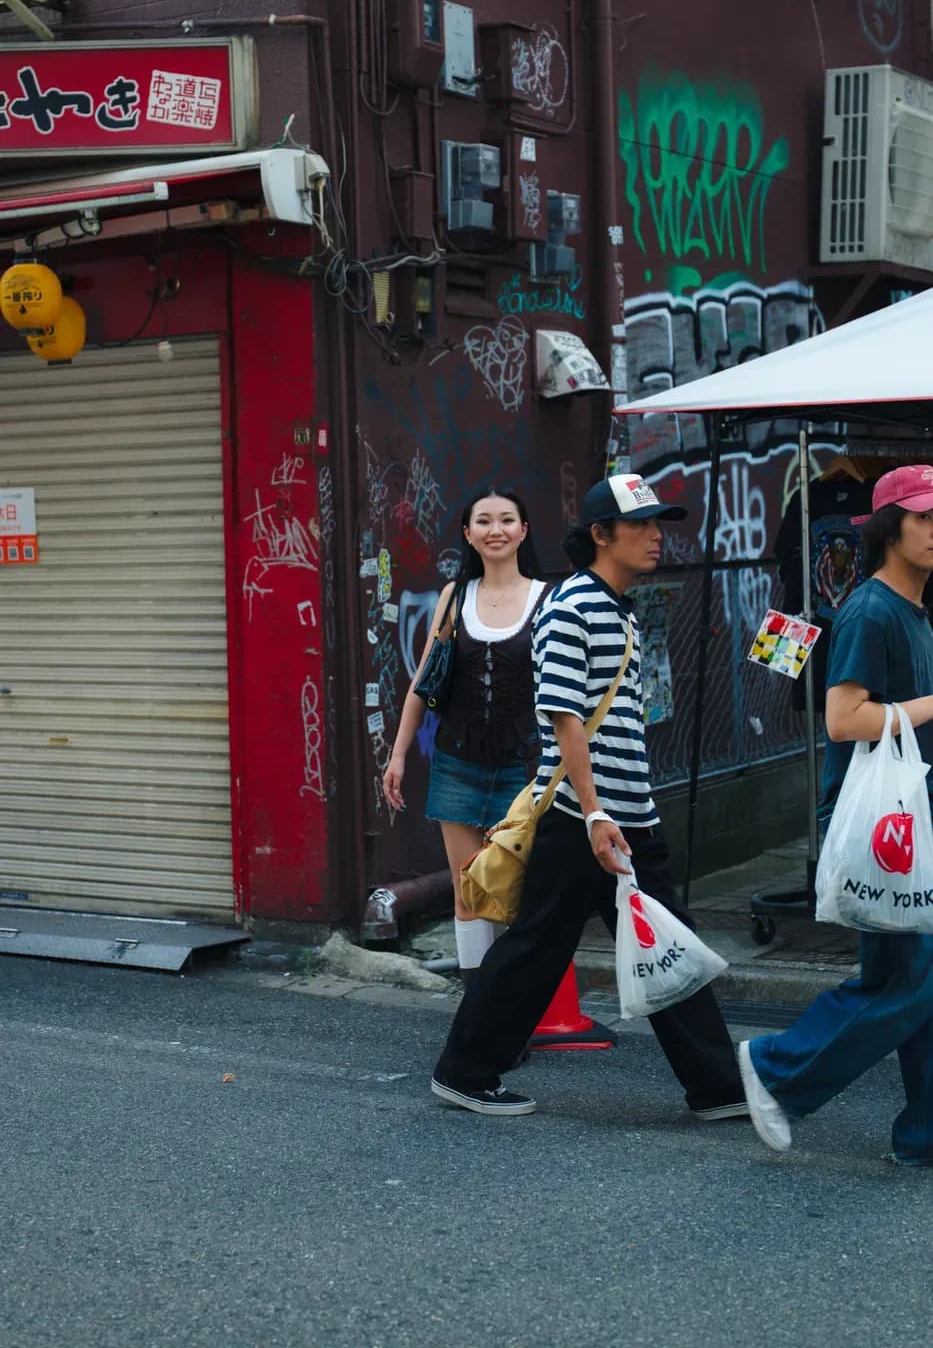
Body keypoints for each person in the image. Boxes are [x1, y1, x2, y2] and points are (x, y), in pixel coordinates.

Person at [430, 473, 748, 1119]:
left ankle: (717, 1087)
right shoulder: (575, 604)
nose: (656, 537)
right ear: (600, 535)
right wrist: (598, 811)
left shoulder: (614, 605)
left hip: (624, 815)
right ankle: (465, 1071)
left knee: (663, 942)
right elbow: (562, 716)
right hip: (583, 818)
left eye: (659, 525)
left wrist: (623, 810)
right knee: (536, 950)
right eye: (642, 526)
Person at [739, 465, 933, 1165]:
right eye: (924, 518)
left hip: (911, 822)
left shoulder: (913, 609)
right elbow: (843, 718)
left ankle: (922, 1135)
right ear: (888, 527)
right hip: (883, 830)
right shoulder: (869, 610)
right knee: (908, 983)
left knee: (910, 982)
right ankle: (775, 1067)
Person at [384, 486, 549, 981]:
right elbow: (425, 680)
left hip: (523, 767)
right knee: (467, 889)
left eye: (505, 520)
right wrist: (397, 756)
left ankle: (515, 1007)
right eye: (483, 521)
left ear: (523, 531)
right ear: (468, 534)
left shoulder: (548, 598)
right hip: (457, 761)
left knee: (518, 890)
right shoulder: (456, 597)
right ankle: (478, 1006)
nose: (495, 530)